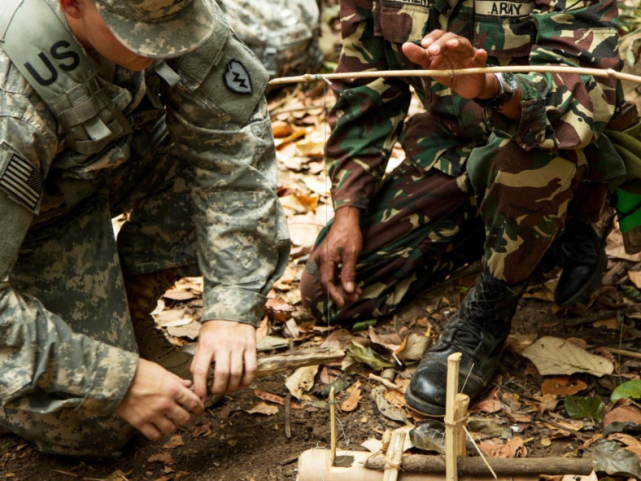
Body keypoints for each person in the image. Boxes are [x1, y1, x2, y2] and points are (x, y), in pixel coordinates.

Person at [301, 0, 625, 415]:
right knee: (330, 293)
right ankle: (532, 233)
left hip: (548, 148)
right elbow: (365, 93)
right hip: (453, 152)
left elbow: (585, 98)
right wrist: (348, 209)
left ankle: (490, 311)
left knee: (530, 168)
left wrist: (490, 87)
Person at [0, 0, 289, 456]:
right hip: (27, 225)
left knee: (215, 152)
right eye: (139, 31)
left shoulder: (177, 12)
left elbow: (234, 157)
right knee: (94, 426)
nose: (168, 44)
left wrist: (232, 303)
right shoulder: (8, 100)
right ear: (70, 5)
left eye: (178, 24)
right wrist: (114, 377)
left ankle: (129, 317)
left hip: (95, 170)